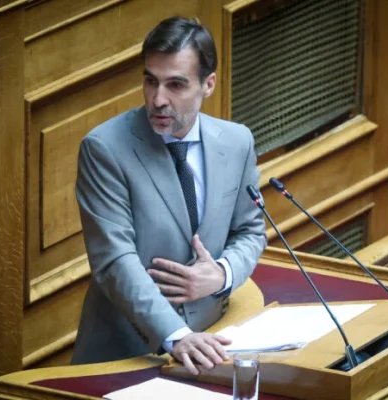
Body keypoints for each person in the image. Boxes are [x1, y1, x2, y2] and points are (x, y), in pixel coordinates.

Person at [71, 17, 266, 375]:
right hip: (129, 354)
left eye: (176, 84)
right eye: (151, 81)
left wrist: (221, 274)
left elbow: (250, 232)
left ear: (208, 84)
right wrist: (176, 336)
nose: (158, 99)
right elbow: (114, 259)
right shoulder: (104, 149)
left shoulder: (237, 141)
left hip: (214, 344)